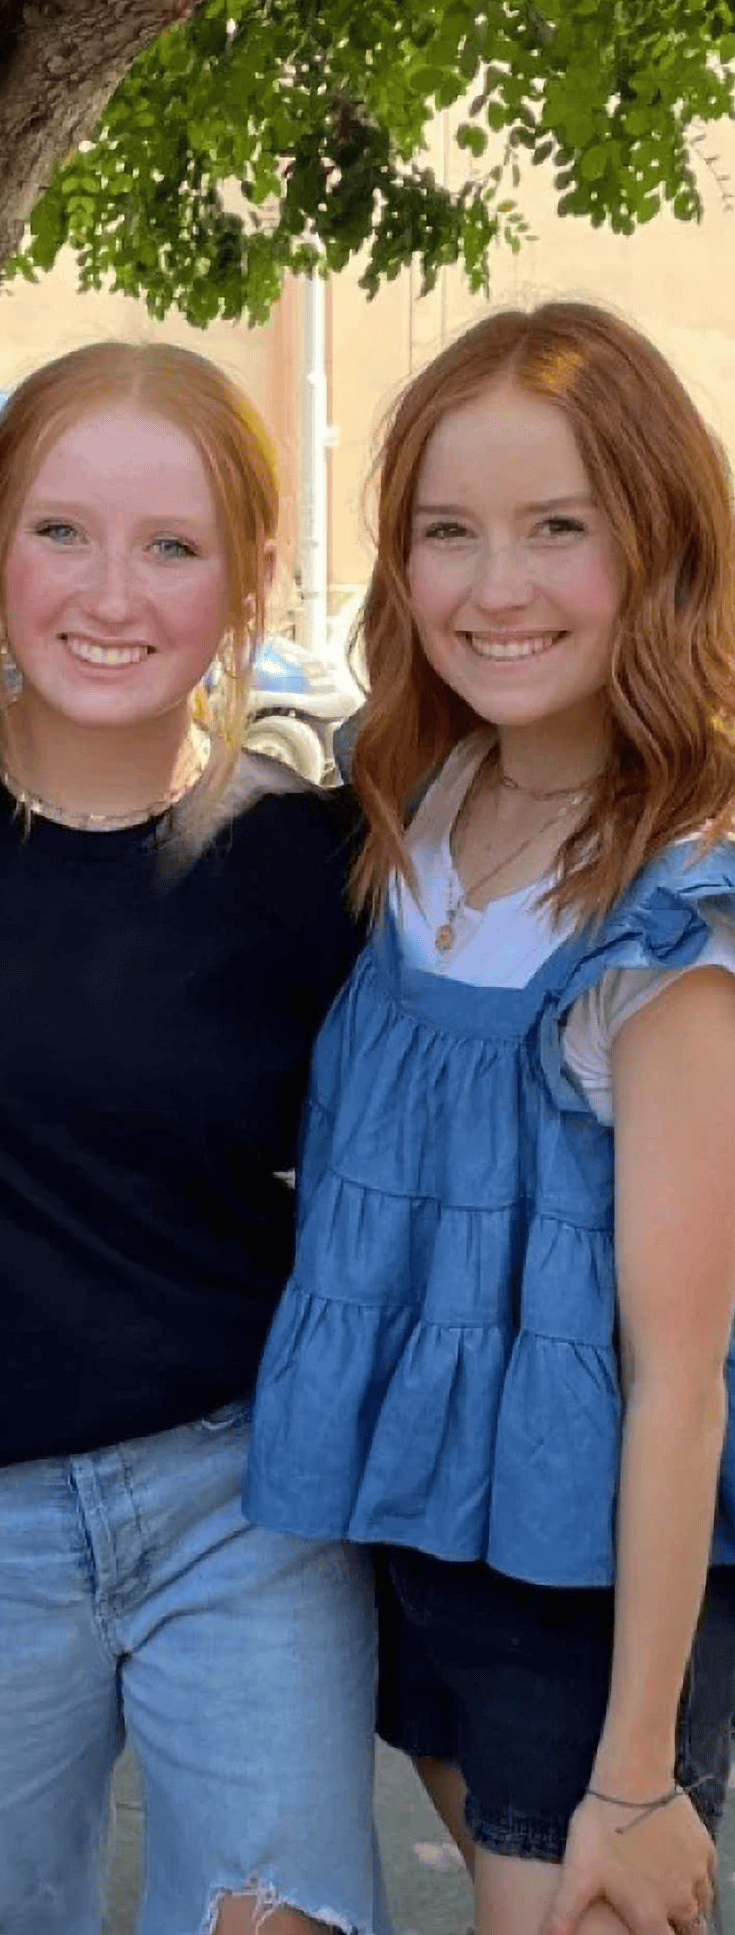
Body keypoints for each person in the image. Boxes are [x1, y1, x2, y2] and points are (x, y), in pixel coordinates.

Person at [0, 339, 389, 1935]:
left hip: (240, 1497)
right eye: (61, 531)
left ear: (245, 580)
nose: (110, 594)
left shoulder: (315, 867)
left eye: (173, 545)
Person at [246, 303, 735, 1935]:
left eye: (556, 530)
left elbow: (679, 1370)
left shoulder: (677, 910)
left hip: (585, 1591)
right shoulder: (434, 798)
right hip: (414, 1524)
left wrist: (638, 1771)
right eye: (446, 532)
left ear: (658, 545)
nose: (492, 586)